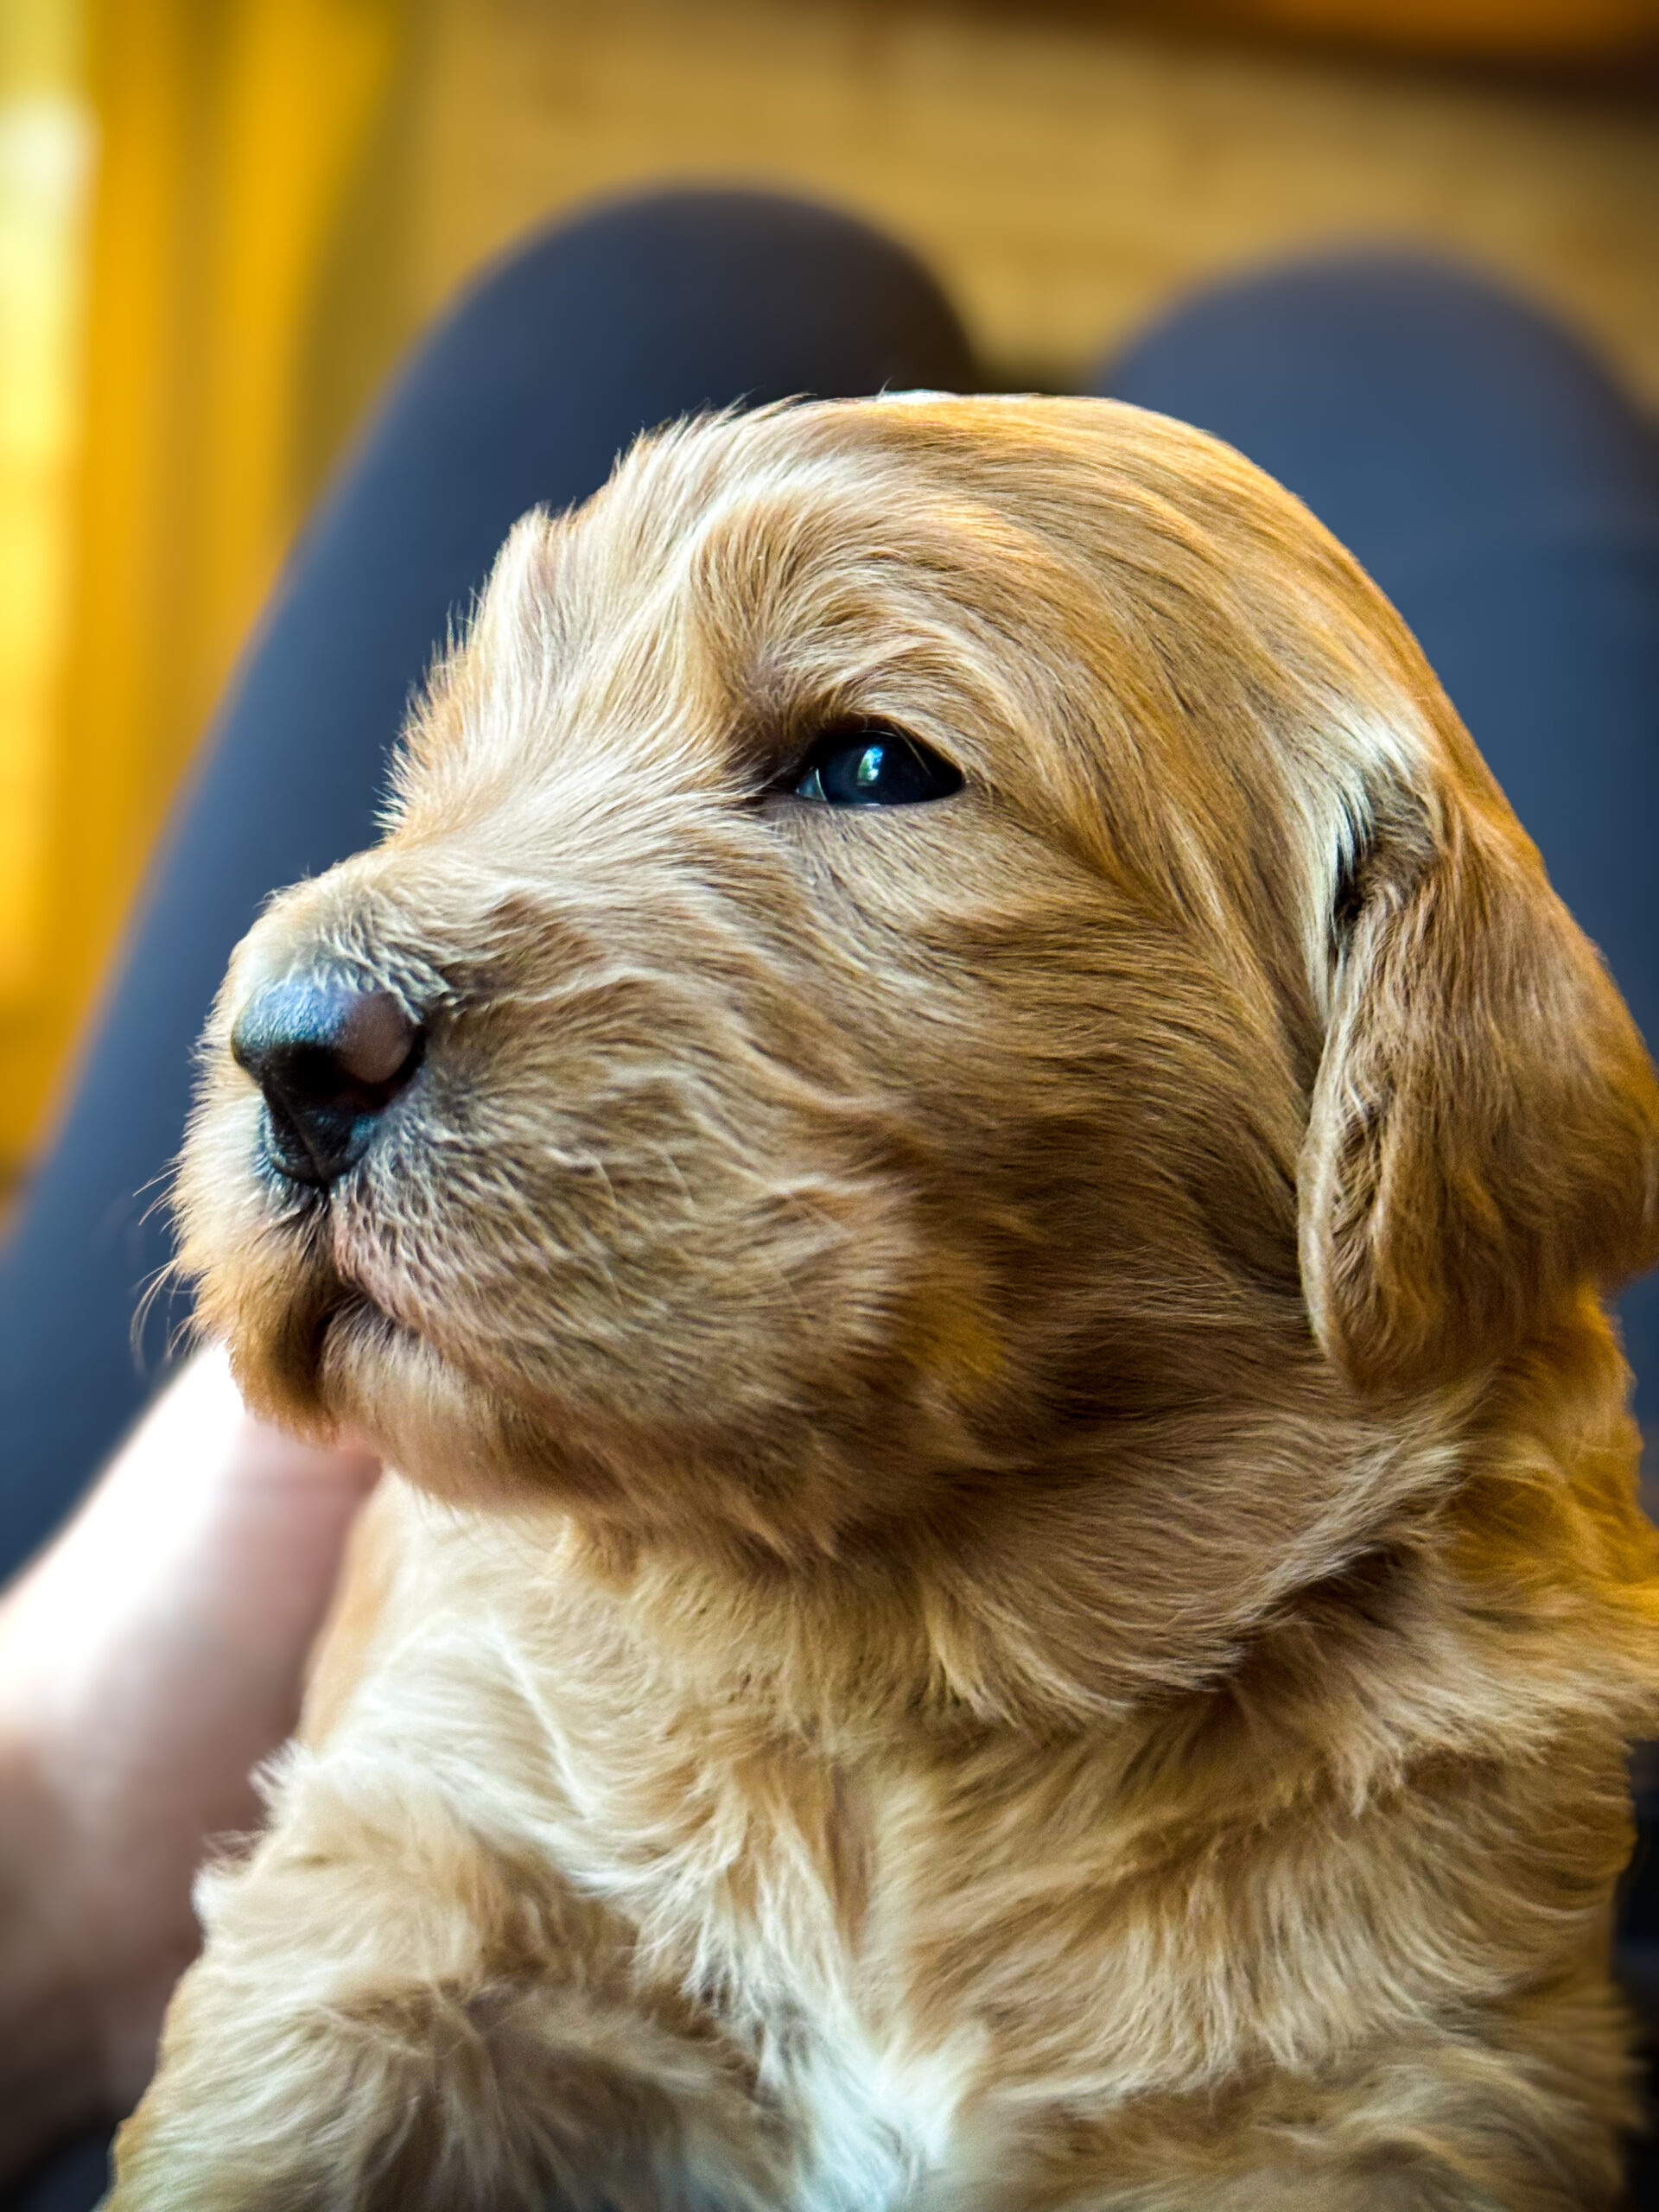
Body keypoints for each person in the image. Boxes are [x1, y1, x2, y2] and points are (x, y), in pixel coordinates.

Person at [1, 189, 1656, 2210]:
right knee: (1357, 338)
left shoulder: (1465, 1794)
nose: (310, 987)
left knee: (678, 282)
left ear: (1412, 1039)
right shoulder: (507, 1684)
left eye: (870, 760)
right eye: (452, 778)